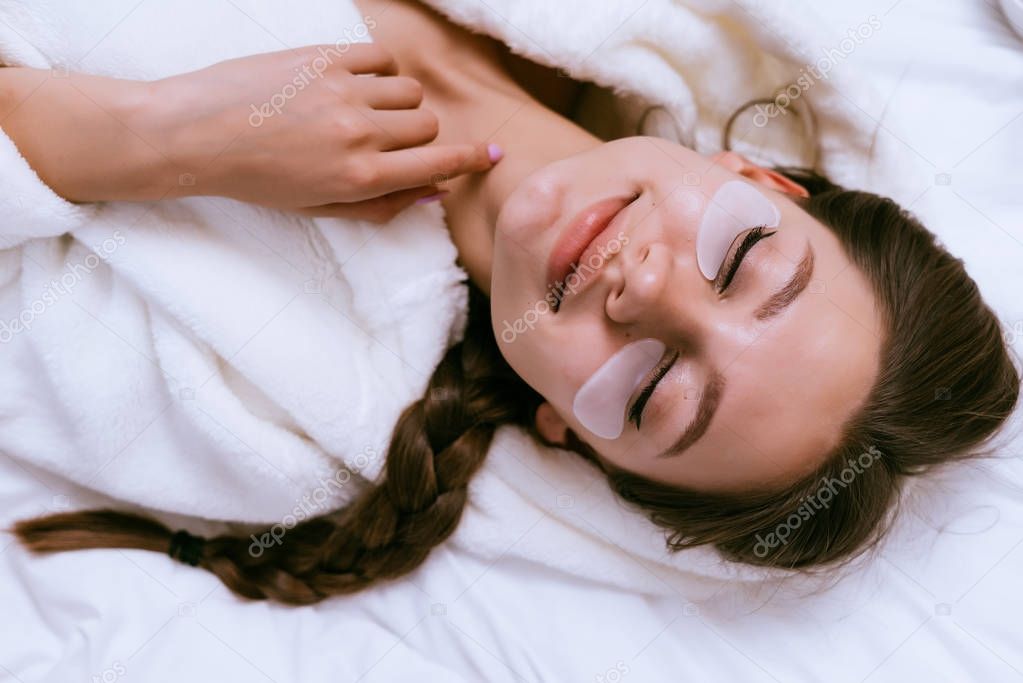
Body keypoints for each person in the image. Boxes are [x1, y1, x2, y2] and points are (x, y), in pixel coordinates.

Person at [9, 0, 1020, 605]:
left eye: (659, 388)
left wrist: (162, 140)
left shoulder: (276, 393)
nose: (647, 286)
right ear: (762, 180)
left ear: (571, 434)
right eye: (744, 260)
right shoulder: (660, 25)